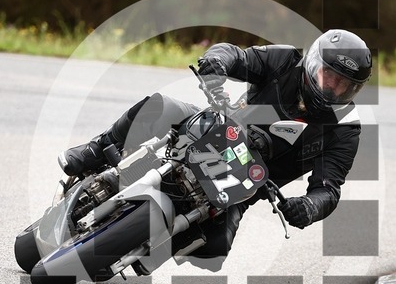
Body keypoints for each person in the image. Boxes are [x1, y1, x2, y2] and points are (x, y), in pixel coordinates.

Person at [59, 29, 372, 267]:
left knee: (215, 247)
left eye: (343, 84)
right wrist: (217, 62)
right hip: (215, 128)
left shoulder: (345, 129)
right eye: (329, 75)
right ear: (314, 64)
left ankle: (140, 248)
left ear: (354, 89)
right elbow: (237, 56)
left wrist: (309, 207)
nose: (332, 87)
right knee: (160, 106)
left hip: (245, 185)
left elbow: (328, 188)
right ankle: (96, 149)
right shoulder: (285, 61)